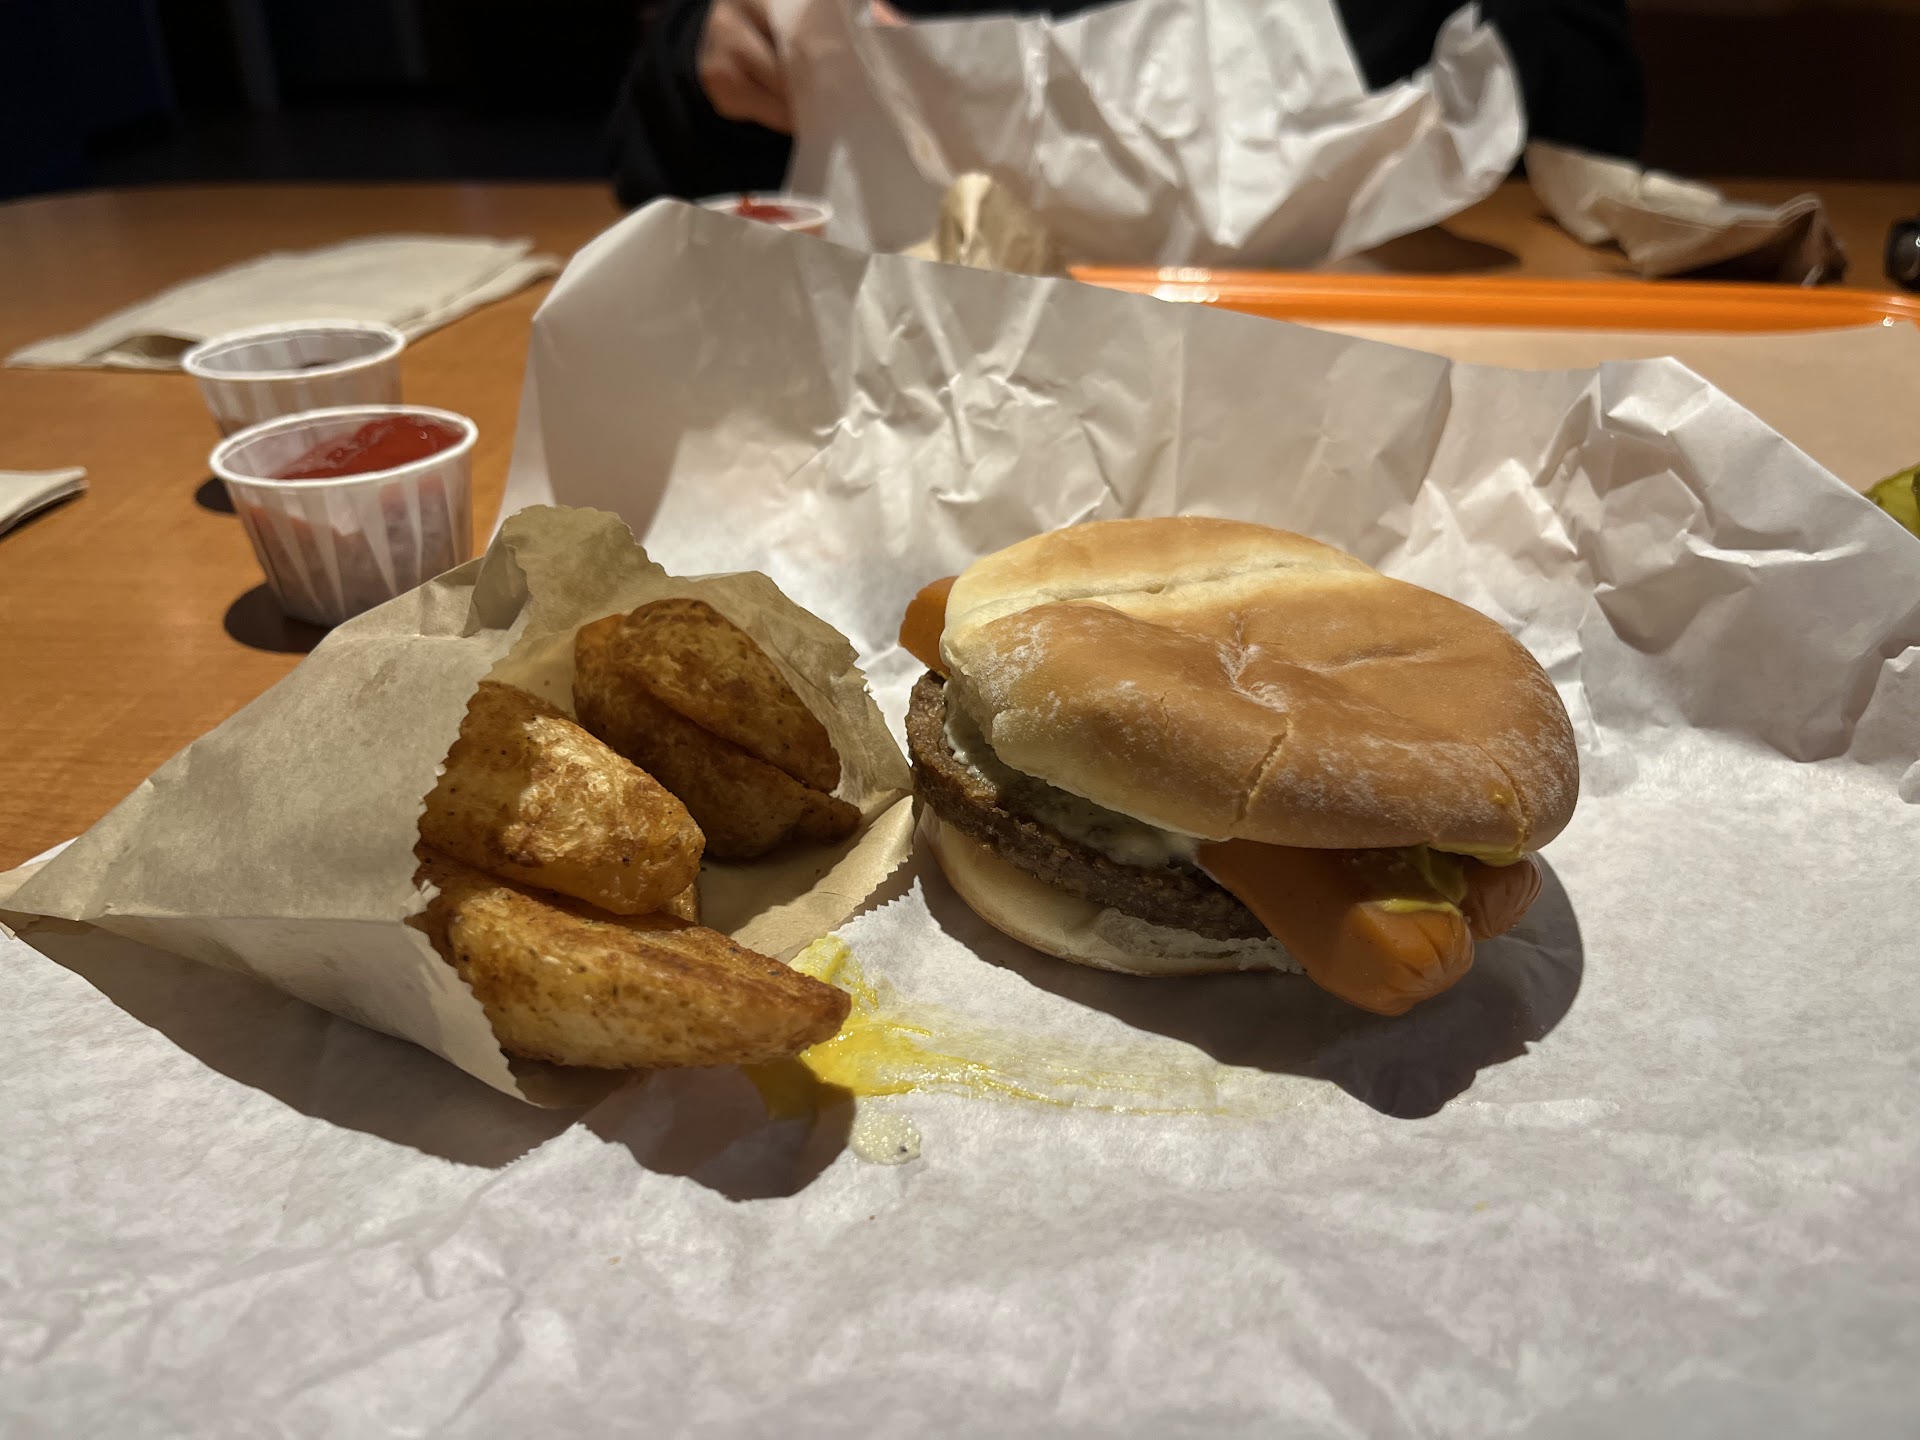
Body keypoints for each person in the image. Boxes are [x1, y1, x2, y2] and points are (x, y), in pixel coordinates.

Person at [609, 0, 1644, 208]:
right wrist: (713, 49)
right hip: (911, 341)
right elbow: (651, 158)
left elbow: (1590, 109)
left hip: (1383, 324)